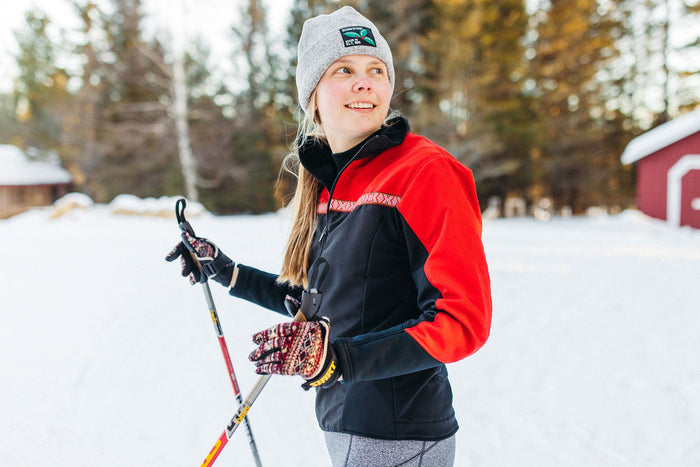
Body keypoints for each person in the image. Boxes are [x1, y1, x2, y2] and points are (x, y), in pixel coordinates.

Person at [167, 6, 492, 466]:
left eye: (376, 70)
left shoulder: (425, 172)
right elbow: (323, 302)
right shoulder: (330, 180)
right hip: (343, 422)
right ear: (313, 93)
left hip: (399, 435)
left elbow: (463, 321)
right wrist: (227, 271)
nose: (365, 82)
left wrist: (337, 360)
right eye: (345, 69)